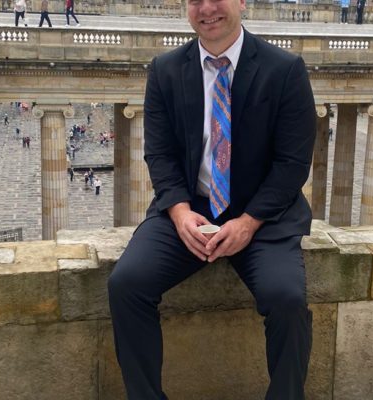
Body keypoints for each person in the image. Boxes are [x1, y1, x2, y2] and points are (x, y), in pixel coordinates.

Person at [106, 0, 316, 396]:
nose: (206, 9)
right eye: (194, 1)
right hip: (191, 208)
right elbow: (160, 154)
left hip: (262, 216)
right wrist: (179, 212)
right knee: (126, 284)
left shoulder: (285, 69)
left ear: (241, 2)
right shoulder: (165, 69)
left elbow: (292, 163)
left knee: (287, 300)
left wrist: (249, 222)